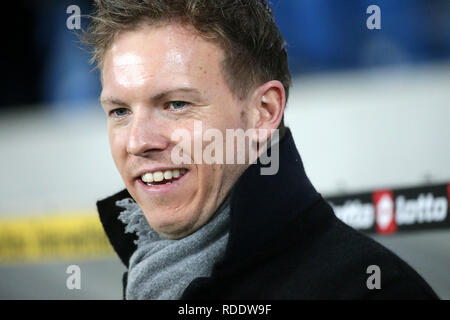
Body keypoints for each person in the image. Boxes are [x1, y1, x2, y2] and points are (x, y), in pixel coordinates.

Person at [84, 0, 439, 300]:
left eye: (176, 104)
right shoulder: (146, 277)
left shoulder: (372, 290)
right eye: (120, 112)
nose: (138, 141)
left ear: (264, 111)